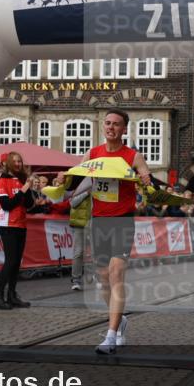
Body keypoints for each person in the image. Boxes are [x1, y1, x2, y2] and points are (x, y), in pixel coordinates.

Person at [59, 109, 152, 355]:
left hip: (122, 221)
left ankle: (111, 335)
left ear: (124, 129)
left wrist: (144, 179)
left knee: (116, 273)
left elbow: (146, 179)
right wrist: (63, 180)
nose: (110, 127)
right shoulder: (92, 154)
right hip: (98, 222)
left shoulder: (132, 156)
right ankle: (119, 319)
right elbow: (77, 180)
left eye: (116, 124)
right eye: (107, 123)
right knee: (102, 279)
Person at [0, 151, 34, 309]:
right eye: (15, 161)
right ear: (8, 163)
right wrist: (23, 190)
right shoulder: (2, 181)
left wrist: (28, 188)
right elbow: (6, 205)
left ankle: (12, 295)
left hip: (21, 224)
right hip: (8, 226)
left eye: (20, 161)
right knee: (10, 261)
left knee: (17, 262)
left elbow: (29, 203)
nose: (18, 164)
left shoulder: (22, 180)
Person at [68, 177, 93, 291]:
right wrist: (87, 193)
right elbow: (72, 202)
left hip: (94, 221)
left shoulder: (101, 183)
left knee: (97, 252)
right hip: (80, 222)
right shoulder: (79, 183)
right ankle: (76, 279)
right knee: (78, 252)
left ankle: (98, 277)